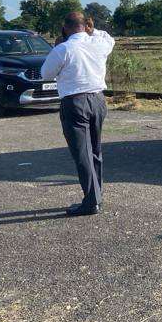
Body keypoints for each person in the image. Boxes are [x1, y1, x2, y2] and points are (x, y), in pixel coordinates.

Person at [41, 11, 116, 216]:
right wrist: (93, 30)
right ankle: (97, 196)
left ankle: (91, 202)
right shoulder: (99, 43)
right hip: (98, 100)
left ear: (65, 28)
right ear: (86, 26)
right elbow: (109, 38)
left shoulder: (63, 49)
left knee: (82, 153)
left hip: (75, 103)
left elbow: (45, 73)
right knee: (95, 151)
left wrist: (57, 47)